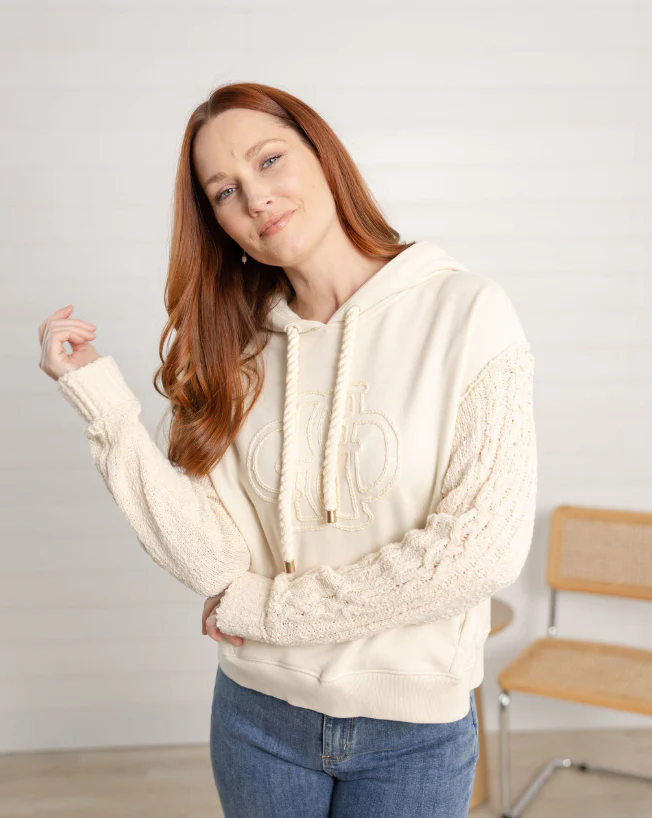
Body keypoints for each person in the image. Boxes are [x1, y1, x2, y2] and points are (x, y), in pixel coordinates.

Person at [38, 82, 537, 817]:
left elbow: (479, 554)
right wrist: (104, 407)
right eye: (225, 191)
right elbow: (212, 562)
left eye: (270, 160)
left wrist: (266, 611)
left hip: (413, 732)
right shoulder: (236, 349)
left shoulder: (466, 313)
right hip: (257, 719)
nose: (256, 198)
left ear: (323, 155)